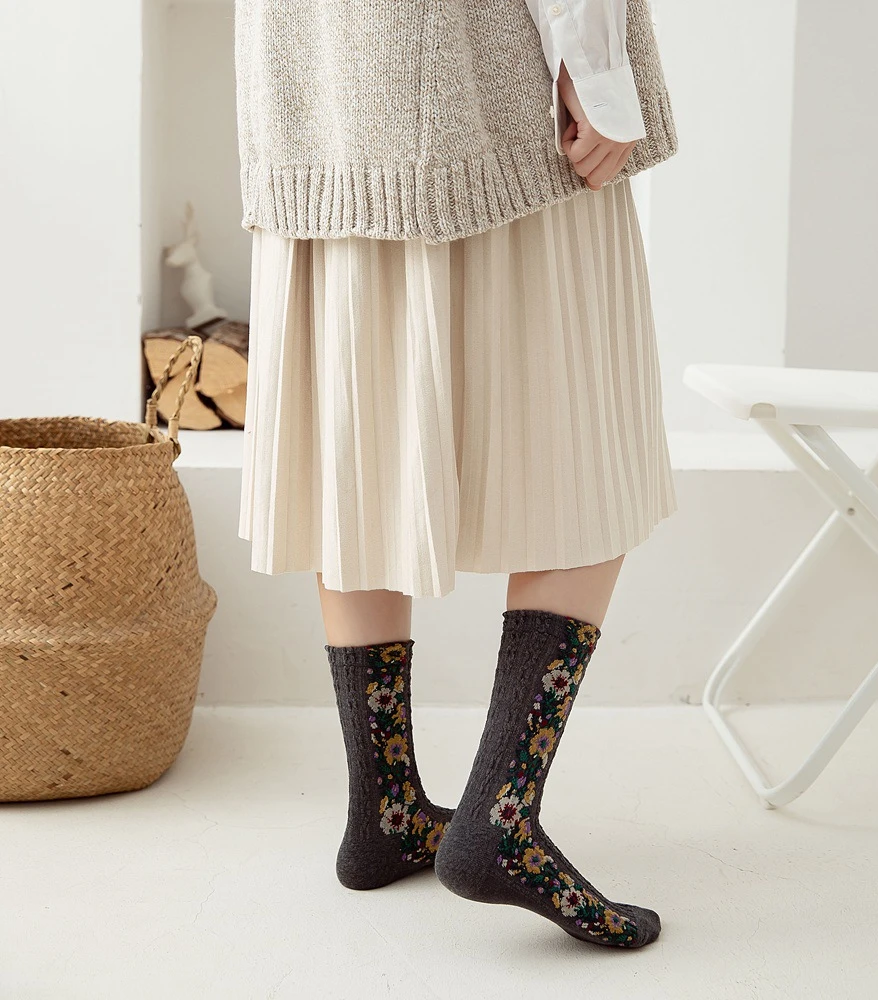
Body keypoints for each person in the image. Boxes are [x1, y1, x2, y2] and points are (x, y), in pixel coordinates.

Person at [234, 0, 678, 949]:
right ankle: (500, 819)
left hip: (316, 102)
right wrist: (596, 72)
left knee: (358, 452)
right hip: (487, 97)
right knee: (590, 451)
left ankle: (387, 807)